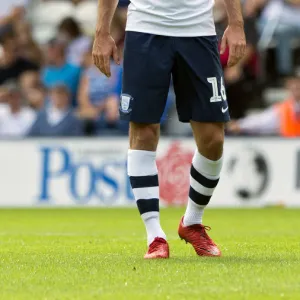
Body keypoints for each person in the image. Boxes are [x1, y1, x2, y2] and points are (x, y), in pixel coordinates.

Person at [93, 0, 246, 258]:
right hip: (145, 29)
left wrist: (236, 23)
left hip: (198, 30)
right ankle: (155, 236)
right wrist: (101, 32)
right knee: (143, 131)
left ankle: (192, 222)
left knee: (213, 138)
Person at [227, 73, 300, 136]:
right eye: (293, 84)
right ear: (288, 87)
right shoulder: (282, 109)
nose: (296, 87)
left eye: (298, 84)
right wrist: (240, 125)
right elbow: (261, 121)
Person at [78, 46, 121, 132]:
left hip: (108, 103)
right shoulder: (87, 73)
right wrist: (91, 108)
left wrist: (100, 108)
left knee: (112, 104)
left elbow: (114, 91)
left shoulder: (114, 70)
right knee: (83, 113)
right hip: (92, 105)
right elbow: (82, 95)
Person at [42, 38, 81, 106]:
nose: (47, 54)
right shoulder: (45, 72)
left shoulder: (75, 70)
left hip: (72, 110)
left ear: (57, 50)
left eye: (49, 50)